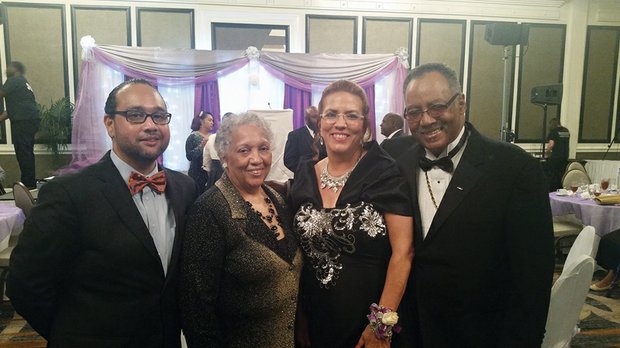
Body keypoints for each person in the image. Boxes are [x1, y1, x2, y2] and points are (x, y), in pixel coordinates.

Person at [6, 79, 197, 347]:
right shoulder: (69, 193)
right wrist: (72, 336)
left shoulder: (185, 189)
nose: (151, 125)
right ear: (110, 124)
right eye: (135, 115)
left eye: (159, 116)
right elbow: (25, 285)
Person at [397, 63, 554, 347]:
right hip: (412, 332)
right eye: (414, 112)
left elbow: (533, 278)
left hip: (481, 334)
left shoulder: (515, 168)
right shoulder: (397, 159)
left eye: (436, 107)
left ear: (461, 104)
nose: (426, 120)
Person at [289, 80, 414, 347]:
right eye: (331, 114)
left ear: (365, 125)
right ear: (320, 122)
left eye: (351, 115)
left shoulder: (384, 172)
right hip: (315, 320)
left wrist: (381, 325)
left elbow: (403, 253)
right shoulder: (305, 173)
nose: (340, 123)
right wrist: (298, 318)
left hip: (369, 324)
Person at [180, 112, 301, 347]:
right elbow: (196, 308)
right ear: (224, 155)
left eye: (263, 148)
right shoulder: (210, 210)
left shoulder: (277, 198)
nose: (256, 159)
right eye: (244, 150)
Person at [0, 62, 40, 189]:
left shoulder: (13, 80)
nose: (7, 70)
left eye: (10, 67)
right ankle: (30, 183)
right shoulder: (23, 82)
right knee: (27, 152)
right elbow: (11, 110)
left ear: (16, 70)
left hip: (22, 121)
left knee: (23, 152)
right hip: (30, 120)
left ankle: (28, 184)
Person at [284, 105, 325, 175]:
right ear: (306, 119)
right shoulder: (295, 135)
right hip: (304, 180)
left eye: (320, 117)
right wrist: (304, 171)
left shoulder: (325, 134)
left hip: (323, 179)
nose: (318, 120)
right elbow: (288, 160)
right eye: (314, 117)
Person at [203, 112, 233, 190]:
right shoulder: (237, 139)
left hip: (215, 174)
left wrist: (210, 172)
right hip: (233, 174)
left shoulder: (212, 137)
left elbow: (206, 161)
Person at [185, 111, 214, 193]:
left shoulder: (213, 137)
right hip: (197, 176)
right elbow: (189, 156)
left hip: (211, 175)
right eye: (210, 120)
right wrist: (201, 146)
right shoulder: (193, 137)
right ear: (202, 121)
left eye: (213, 121)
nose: (212, 123)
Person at [545, 117, 570, 191]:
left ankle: (553, 190)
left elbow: (551, 145)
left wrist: (546, 153)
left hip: (556, 156)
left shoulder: (553, 132)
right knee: (562, 174)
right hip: (565, 156)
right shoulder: (566, 131)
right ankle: (561, 188)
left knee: (553, 175)